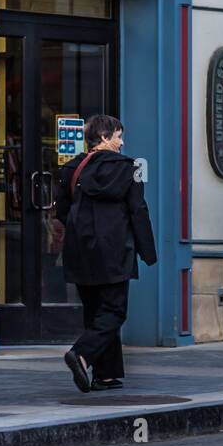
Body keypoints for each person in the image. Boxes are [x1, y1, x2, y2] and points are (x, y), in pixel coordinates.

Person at [56, 114, 156, 392]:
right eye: (118, 136)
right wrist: (147, 250)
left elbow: (62, 211)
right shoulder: (130, 168)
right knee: (114, 310)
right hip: (114, 248)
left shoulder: (72, 169)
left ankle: (107, 373)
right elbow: (138, 210)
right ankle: (83, 354)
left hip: (80, 248)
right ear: (103, 137)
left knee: (95, 310)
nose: (122, 142)